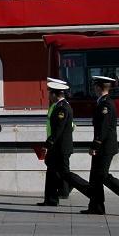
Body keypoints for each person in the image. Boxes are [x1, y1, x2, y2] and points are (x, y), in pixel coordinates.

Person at [81, 76, 119, 215]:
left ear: (98, 87)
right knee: (95, 177)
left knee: (102, 175)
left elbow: (103, 128)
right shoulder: (103, 102)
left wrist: (95, 146)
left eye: (94, 86)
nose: (93, 88)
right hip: (103, 145)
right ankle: (96, 207)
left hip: (105, 146)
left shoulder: (106, 104)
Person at [37, 78, 85, 206]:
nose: (49, 96)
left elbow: (59, 129)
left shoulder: (62, 108)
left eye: (50, 94)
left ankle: (88, 189)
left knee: (64, 173)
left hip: (60, 147)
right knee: (52, 172)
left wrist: (49, 143)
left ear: (54, 94)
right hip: (56, 146)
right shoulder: (58, 106)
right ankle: (51, 199)